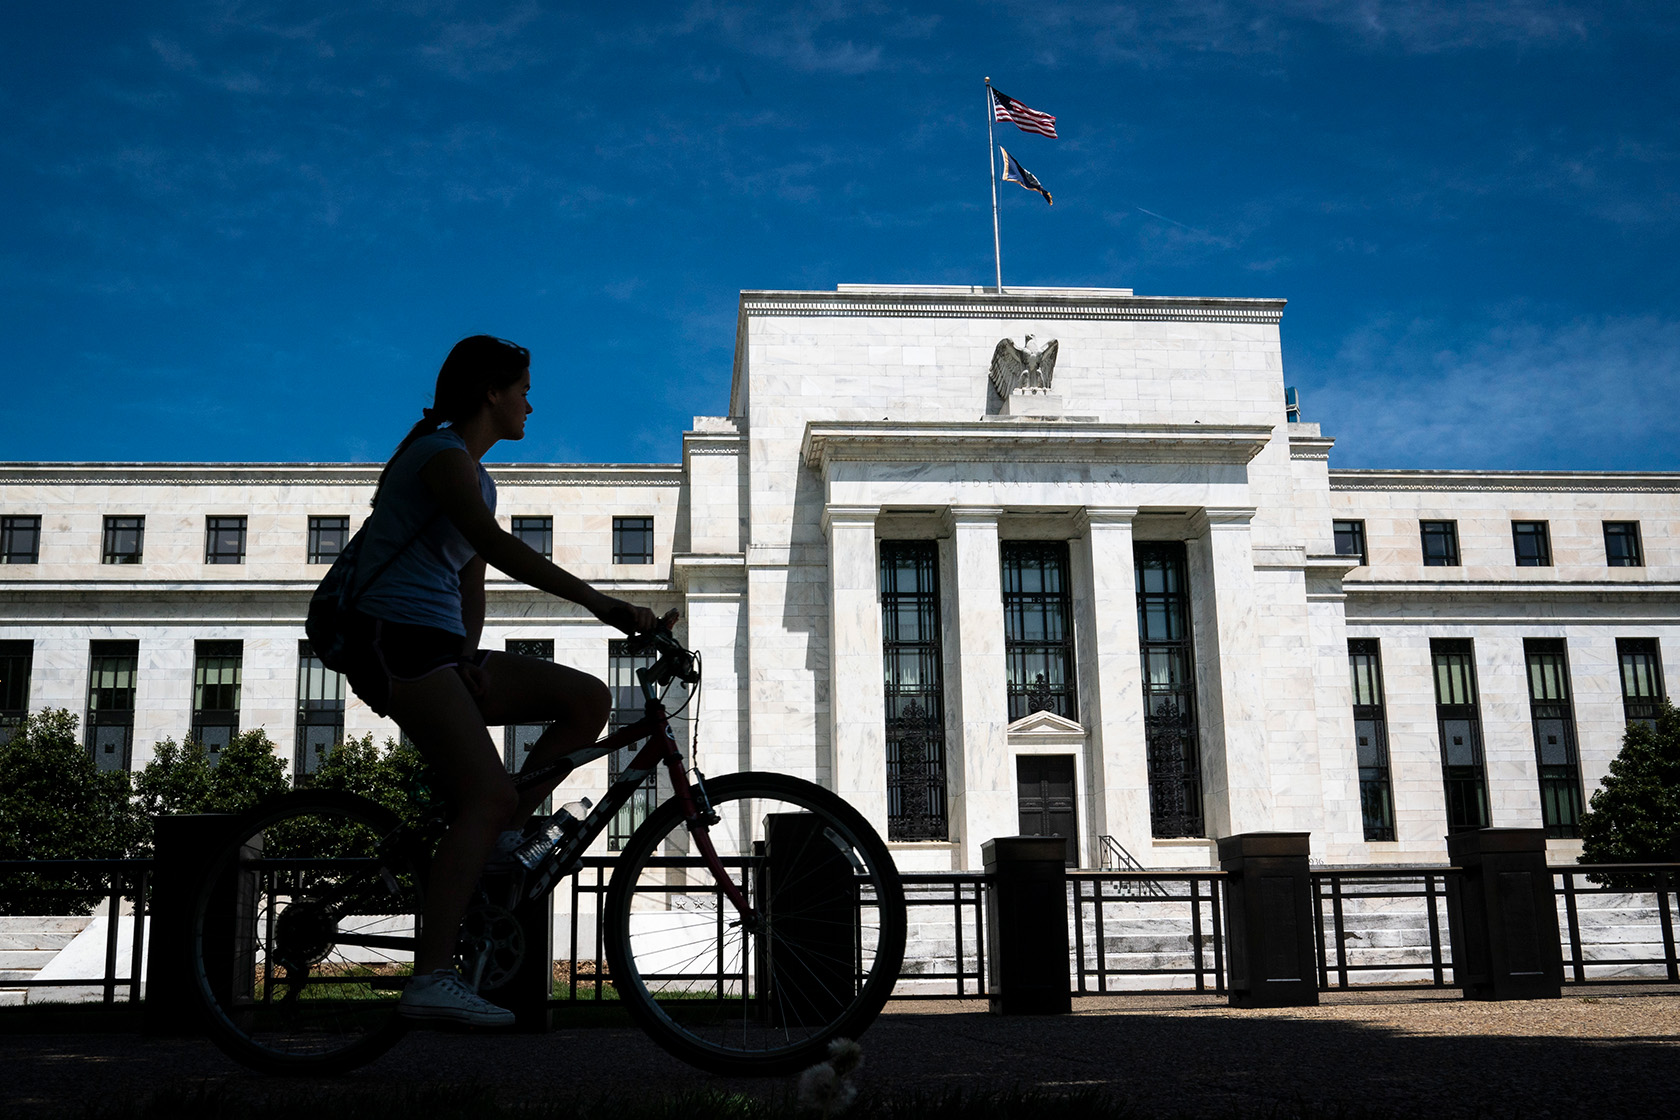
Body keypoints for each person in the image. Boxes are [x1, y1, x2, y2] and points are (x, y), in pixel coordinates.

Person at [335, 335, 659, 1027]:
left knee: (587, 700)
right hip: (393, 643)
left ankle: (504, 835)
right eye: (523, 390)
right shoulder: (439, 457)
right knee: (482, 794)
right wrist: (604, 605)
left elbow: (469, 580)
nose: (530, 405)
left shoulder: (477, 475)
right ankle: (430, 975)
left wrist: (471, 659)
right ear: (491, 390)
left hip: (439, 648)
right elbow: (497, 549)